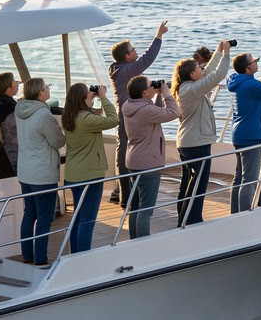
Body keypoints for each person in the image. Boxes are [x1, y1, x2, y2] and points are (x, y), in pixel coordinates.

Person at [108, 19, 168, 207]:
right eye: (133, 49)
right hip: (130, 115)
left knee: (123, 149)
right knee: (126, 150)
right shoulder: (126, 70)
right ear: (127, 56)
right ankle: (127, 197)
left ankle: (120, 191)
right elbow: (147, 58)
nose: (136, 51)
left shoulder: (117, 68)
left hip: (126, 113)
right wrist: (158, 36)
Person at [173, 40, 231, 225]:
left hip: (188, 142)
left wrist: (219, 51)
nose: (201, 68)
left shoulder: (187, 87)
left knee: (189, 183)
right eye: (198, 67)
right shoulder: (193, 90)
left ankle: (184, 218)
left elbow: (207, 73)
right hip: (196, 143)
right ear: (191, 74)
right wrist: (226, 54)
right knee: (198, 185)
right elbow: (217, 75)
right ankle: (192, 220)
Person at [61, 83, 118, 253]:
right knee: (87, 219)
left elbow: (93, 115)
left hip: (73, 174)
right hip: (89, 176)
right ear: (82, 99)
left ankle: (75, 255)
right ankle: (83, 257)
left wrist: (91, 99)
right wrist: (103, 96)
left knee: (77, 218)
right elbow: (114, 119)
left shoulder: (69, 116)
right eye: (88, 94)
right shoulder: (86, 119)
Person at [14, 78, 65, 266]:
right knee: (44, 218)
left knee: (30, 213)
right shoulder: (43, 114)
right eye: (46, 87)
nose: (48, 89)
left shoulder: (19, 110)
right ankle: (41, 260)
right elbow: (58, 141)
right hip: (42, 174)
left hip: (25, 171)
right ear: (39, 93)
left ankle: (27, 254)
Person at [226, 53, 261, 214]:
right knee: (249, 179)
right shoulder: (249, 86)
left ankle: (235, 213)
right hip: (251, 135)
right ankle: (244, 215)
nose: (257, 62)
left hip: (239, 134)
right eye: (254, 61)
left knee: (239, 177)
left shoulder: (236, 82)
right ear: (248, 68)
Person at [123, 76, 180, 238]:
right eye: (150, 85)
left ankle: (134, 240)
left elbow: (154, 112)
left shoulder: (128, 106)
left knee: (136, 206)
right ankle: (143, 243)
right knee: (146, 209)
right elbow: (174, 112)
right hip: (148, 163)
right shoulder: (147, 111)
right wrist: (167, 94)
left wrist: (157, 94)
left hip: (133, 160)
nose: (152, 86)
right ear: (143, 92)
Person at [0, 71, 20, 172]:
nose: (18, 83)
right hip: (14, 155)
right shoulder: (9, 110)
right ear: (8, 89)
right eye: (14, 81)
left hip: (5, 152)